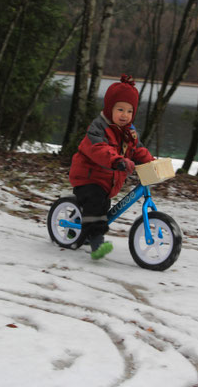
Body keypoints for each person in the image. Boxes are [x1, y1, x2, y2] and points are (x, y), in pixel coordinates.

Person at [69, 74, 155, 260]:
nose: (125, 115)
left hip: (108, 179)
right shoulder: (98, 129)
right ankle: (96, 243)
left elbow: (137, 149)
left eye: (129, 111)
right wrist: (118, 161)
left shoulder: (129, 133)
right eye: (120, 109)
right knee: (96, 205)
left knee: (101, 207)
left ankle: (74, 230)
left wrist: (152, 162)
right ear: (109, 109)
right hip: (89, 176)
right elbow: (100, 149)